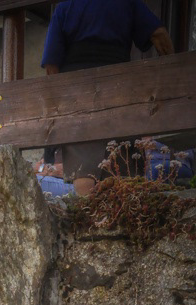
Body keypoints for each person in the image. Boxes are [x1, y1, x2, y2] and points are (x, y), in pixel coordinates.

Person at [41, 0, 174, 196]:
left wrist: (59, 103)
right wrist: (172, 74)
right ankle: (125, 212)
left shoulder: (65, 7)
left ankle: (88, 212)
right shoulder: (126, 3)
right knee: (125, 166)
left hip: (77, 95)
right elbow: (159, 34)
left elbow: (51, 65)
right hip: (120, 89)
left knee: (83, 164)